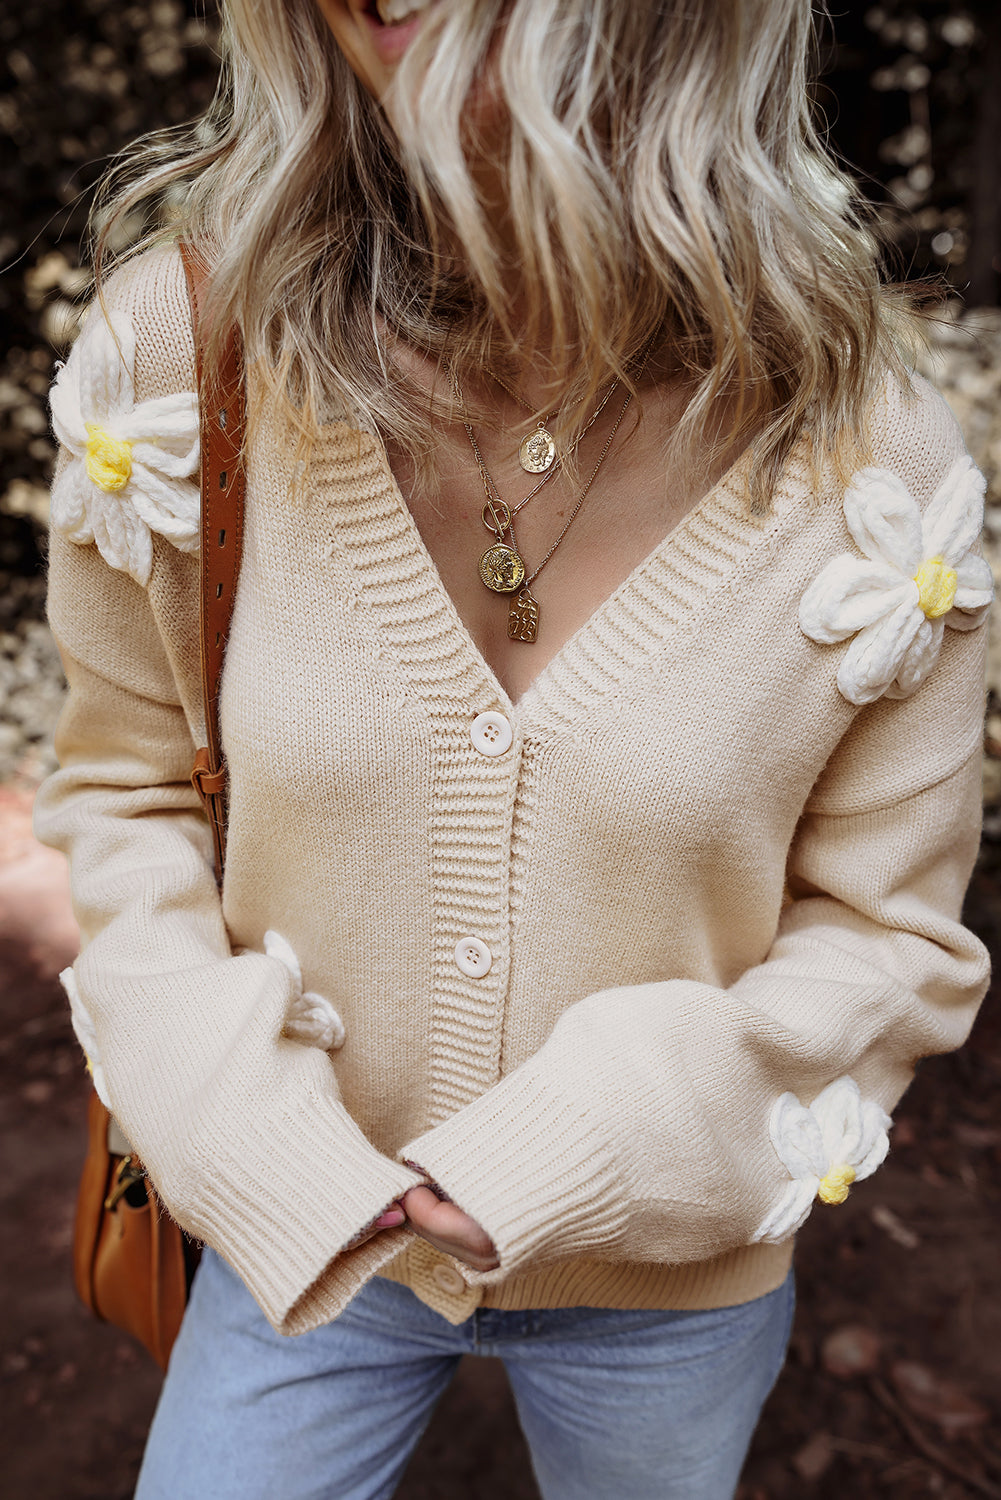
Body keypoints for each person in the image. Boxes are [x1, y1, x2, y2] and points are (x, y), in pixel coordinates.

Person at [34, 1, 993, 1496]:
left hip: (674, 1298)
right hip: (299, 1256)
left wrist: (569, 1156)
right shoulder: (182, 364)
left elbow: (888, 941)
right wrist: (260, 1149)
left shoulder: (875, 469)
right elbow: (127, 788)